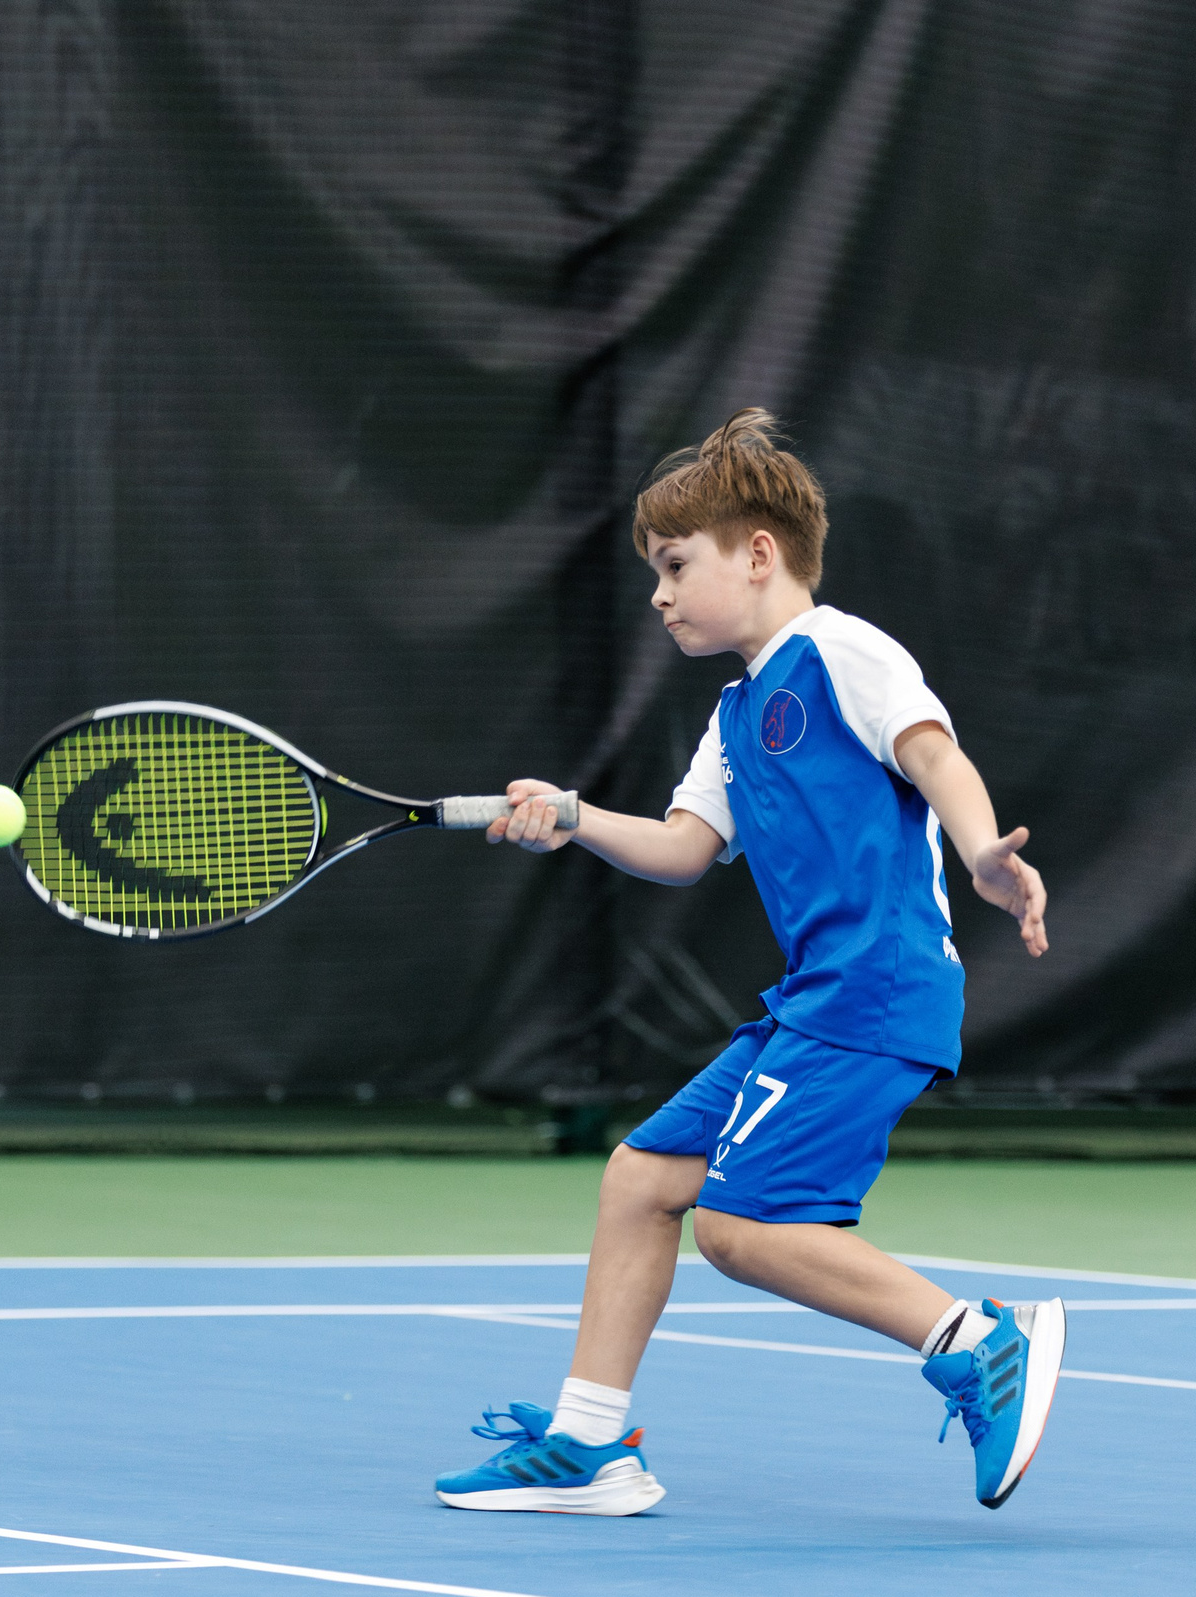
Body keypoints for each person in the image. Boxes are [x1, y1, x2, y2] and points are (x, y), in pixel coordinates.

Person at [436, 408, 1063, 1517]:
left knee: (741, 1225)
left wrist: (981, 856)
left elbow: (935, 755)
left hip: (873, 992)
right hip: (811, 1003)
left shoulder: (843, 653)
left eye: (677, 566)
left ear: (759, 553)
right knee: (641, 1180)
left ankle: (973, 1342)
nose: (660, 595)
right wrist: (573, 815)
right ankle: (591, 1446)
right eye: (655, 573)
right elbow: (685, 849)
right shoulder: (733, 713)